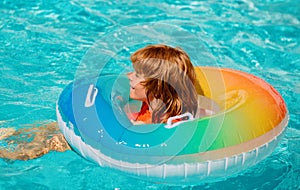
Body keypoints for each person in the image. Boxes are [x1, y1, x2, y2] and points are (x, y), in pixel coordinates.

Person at [127, 44, 215, 125]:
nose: (130, 76)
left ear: (157, 87)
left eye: (137, 75)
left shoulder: (165, 122)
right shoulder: (150, 103)